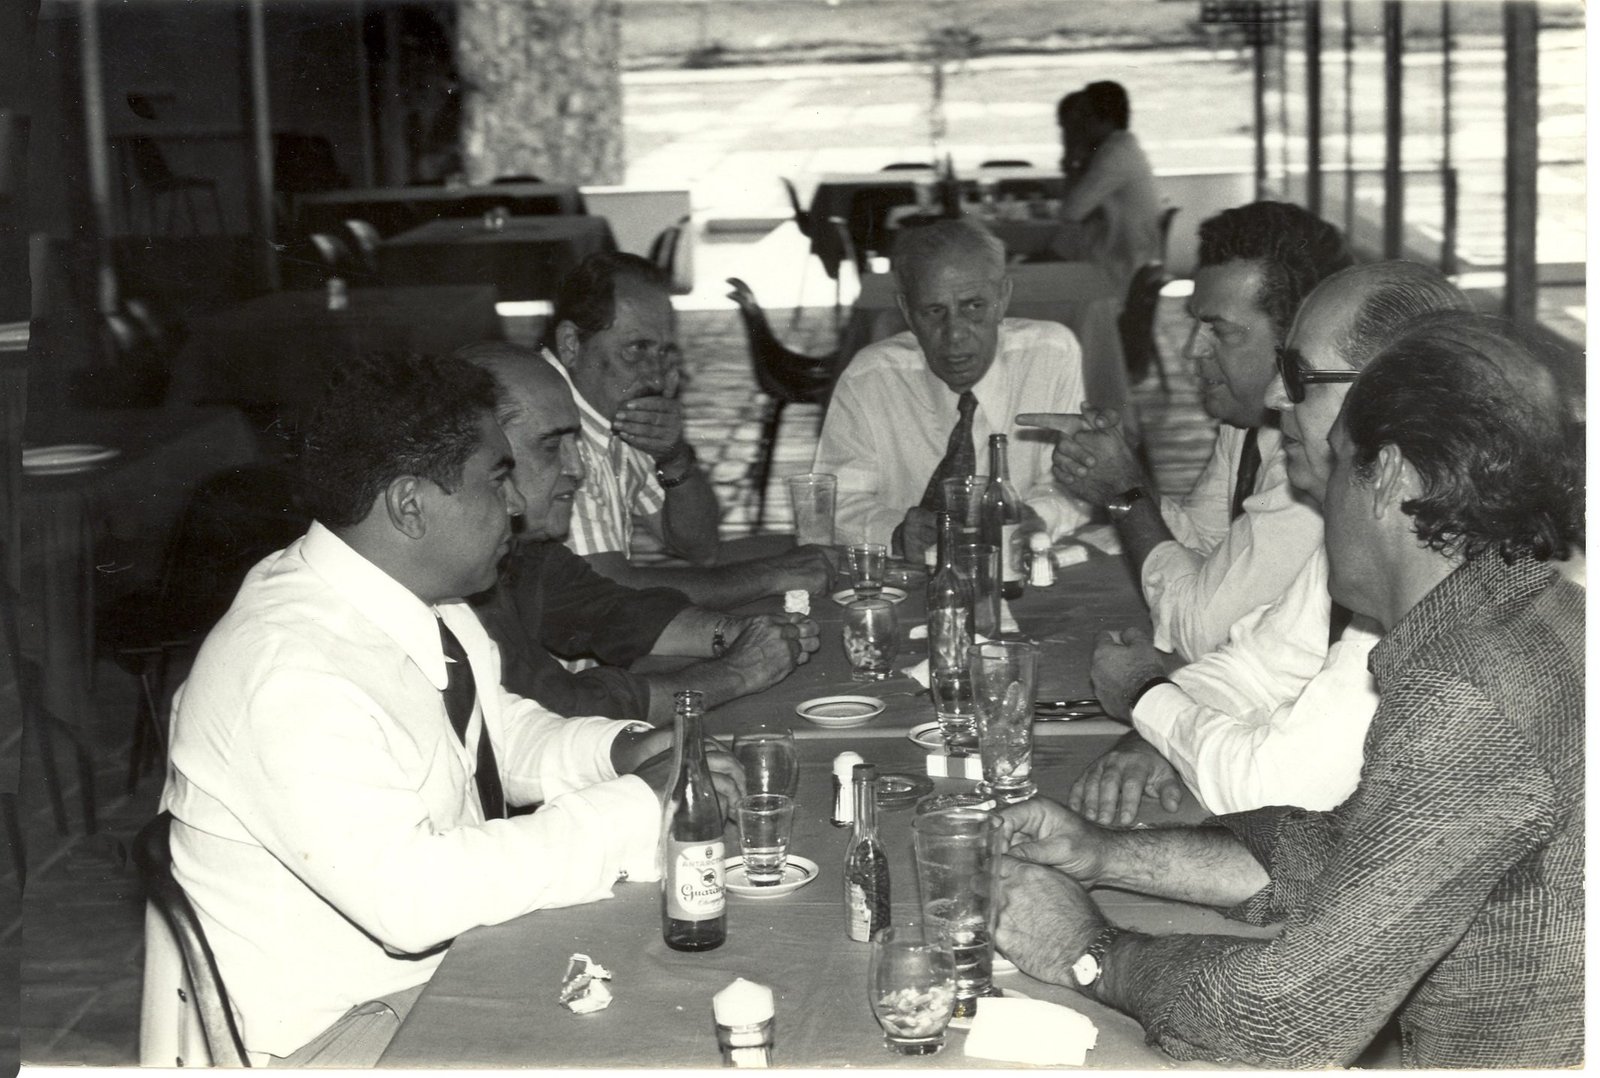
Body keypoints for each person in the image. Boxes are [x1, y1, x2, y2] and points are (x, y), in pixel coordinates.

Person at [994, 312, 1584, 1068]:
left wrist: (1085, 948)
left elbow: (1290, 1014)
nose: (1319, 497)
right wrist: (1105, 854)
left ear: (1389, 479)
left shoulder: (1466, 691)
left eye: (1337, 463)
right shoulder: (1532, 615)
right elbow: (1347, 851)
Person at [157, 352, 743, 1065]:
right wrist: (636, 806)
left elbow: (496, 736)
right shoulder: (289, 672)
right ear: (410, 506)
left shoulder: (420, 601)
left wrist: (621, 750)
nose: (518, 505)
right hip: (344, 1032)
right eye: (497, 480)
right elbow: (415, 900)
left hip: (434, 971)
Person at [1069, 262, 1472, 825]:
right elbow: (1254, 668)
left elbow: (1276, 785)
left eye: (1299, 375)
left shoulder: (1445, 554)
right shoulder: (1369, 517)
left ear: (1392, 397)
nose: (1276, 395)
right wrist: (1157, 729)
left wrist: (1144, 694)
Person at [1027, 201, 1352, 661]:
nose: (1191, 350)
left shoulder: (1318, 465)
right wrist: (1121, 474)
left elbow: (1202, 633)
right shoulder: (1247, 422)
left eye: (1221, 331)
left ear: (1297, 341)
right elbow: (1203, 545)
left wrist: (1125, 494)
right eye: (1196, 324)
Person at [460, 342, 820, 725]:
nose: (577, 468)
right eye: (550, 446)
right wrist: (738, 673)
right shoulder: (460, 577)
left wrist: (734, 632)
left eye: (575, 443)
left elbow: (613, 610)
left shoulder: (522, 551)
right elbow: (563, 709)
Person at [547, 252, 835, 608]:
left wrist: (675, 457)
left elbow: (699, 547)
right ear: (571, 344)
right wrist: (771, 576)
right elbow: (607, 589)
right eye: (636, 350)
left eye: (663, 353)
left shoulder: (613, 409)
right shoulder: (554, 433)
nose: (656, 377)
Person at [814, 217, 1093, 558]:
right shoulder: (869, 379)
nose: (955, 334)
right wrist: (894, 532)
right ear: (907, 313)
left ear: (1003, 298)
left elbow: (1075, 484)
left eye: (973, 307)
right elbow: (831, 502)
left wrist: (1038, 516)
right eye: (934, 312)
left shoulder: (1050, 356)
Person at [1051, 81, 1163, 296]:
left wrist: (1071, 154)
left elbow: (1070, 212)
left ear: (1104, 118)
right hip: (1121, 256)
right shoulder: (1120, 146)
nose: (1079, 124)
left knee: (1033, 272)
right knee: (1051, 254)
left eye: (1084, 115)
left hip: (1119, 267)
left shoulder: (1115, 155)